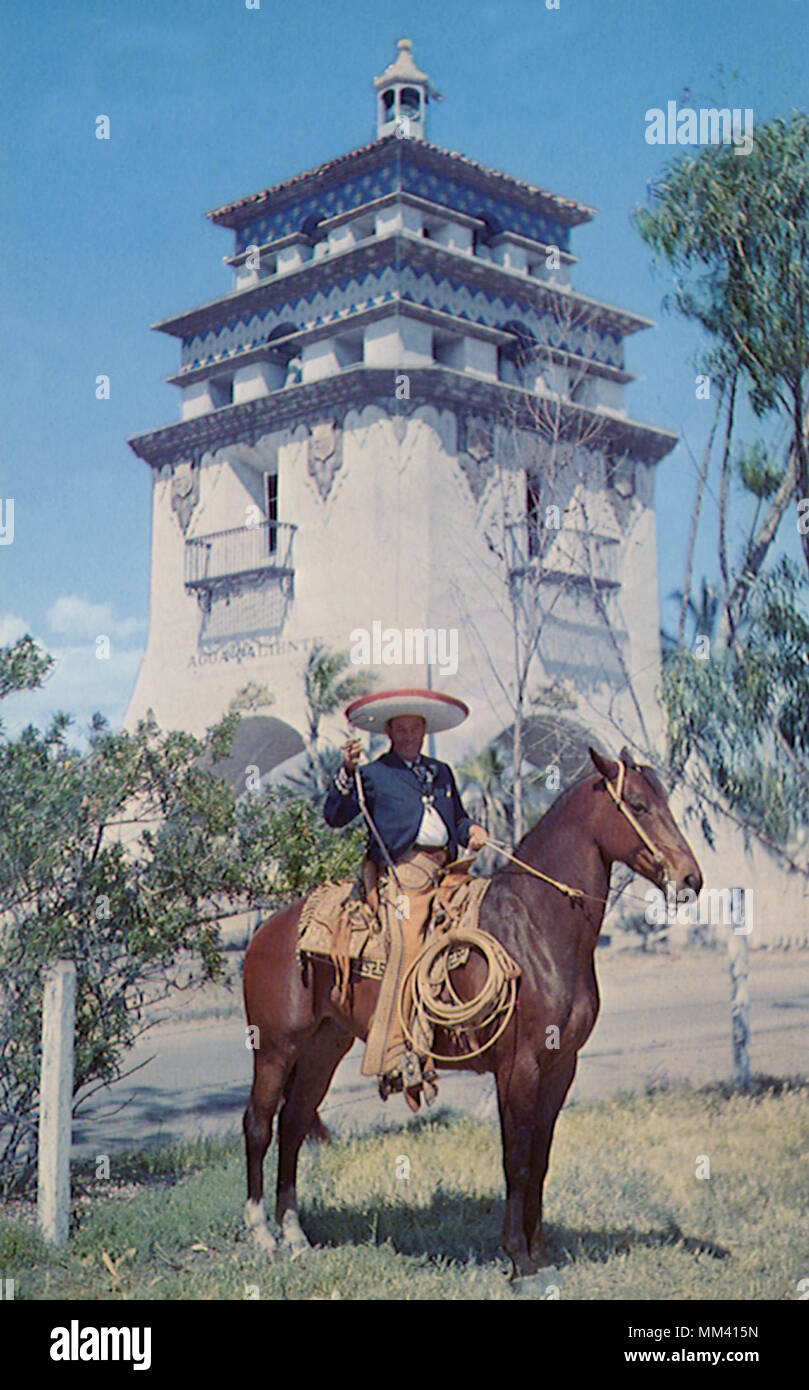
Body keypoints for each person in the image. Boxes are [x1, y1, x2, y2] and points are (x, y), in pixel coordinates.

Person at [323, 690, 487, 1112]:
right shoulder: (373, 775)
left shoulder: (442, 772)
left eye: (416, 728)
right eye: (401, 729)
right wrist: (346, 772)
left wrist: (471, 831)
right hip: (403, 877)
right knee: (409, 945)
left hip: (449, 871)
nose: (410, 735)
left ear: (424, 731)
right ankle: (402, 1053)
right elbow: (335, 815)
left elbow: (458, 819)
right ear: (390, 733)